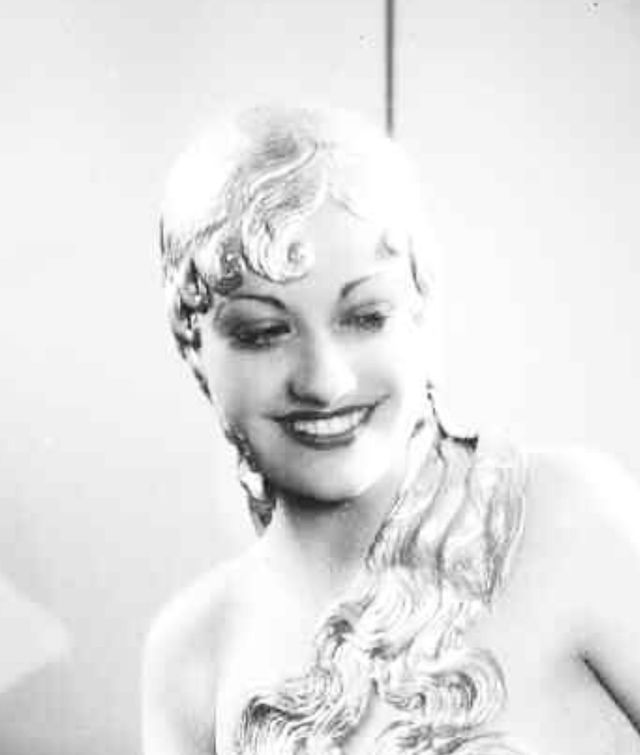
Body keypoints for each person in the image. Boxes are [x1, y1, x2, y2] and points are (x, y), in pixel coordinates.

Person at [142, 104, 640, 755]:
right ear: (193, 345)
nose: (324, 380)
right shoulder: (194, 650)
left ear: (422, 315)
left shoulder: (565, 519)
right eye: (265, 332)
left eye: (366, 317)